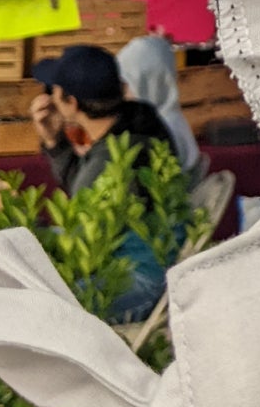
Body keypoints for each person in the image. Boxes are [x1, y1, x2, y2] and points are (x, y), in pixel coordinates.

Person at [28, 44, 179, 321]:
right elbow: (85, 186)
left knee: (37, 309)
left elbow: (81, 243)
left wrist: (14, 218)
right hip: (150, 262)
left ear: (71, 102)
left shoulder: (112, 158)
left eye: (52, 90)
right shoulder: (140, 120)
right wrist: (54, 141)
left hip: (138, 280)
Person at [117, 34, 204, 185]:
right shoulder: (172, 118)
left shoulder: (161, 128)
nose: (123, 93)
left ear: (148, 83)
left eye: (127, 84)